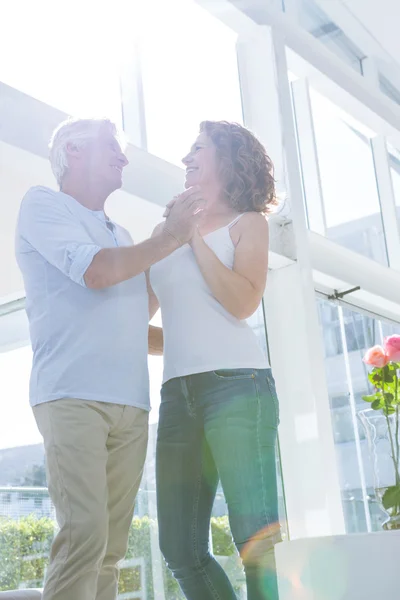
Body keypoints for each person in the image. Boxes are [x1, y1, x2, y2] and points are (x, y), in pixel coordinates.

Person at [15, 117, 203, 600]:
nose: (123, 157)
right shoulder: (43, 204)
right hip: (71, 395)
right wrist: (167, 238)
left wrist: (167, 245)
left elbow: (134, 313)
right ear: (73, 151)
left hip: (131, 405)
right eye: (111, 147)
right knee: (84, 539)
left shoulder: (120, 232)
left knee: (111, 550)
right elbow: (96, 274)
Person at [148, 120, 281, 600]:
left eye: (197, 148)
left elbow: (242, 303)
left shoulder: (248, 223)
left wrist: (194, 239)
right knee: (179, 548)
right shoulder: (165, 231)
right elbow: (139, 325)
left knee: (256, 543)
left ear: (227, 159)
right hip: (177, 396)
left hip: (239, 387)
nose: (186, 157)